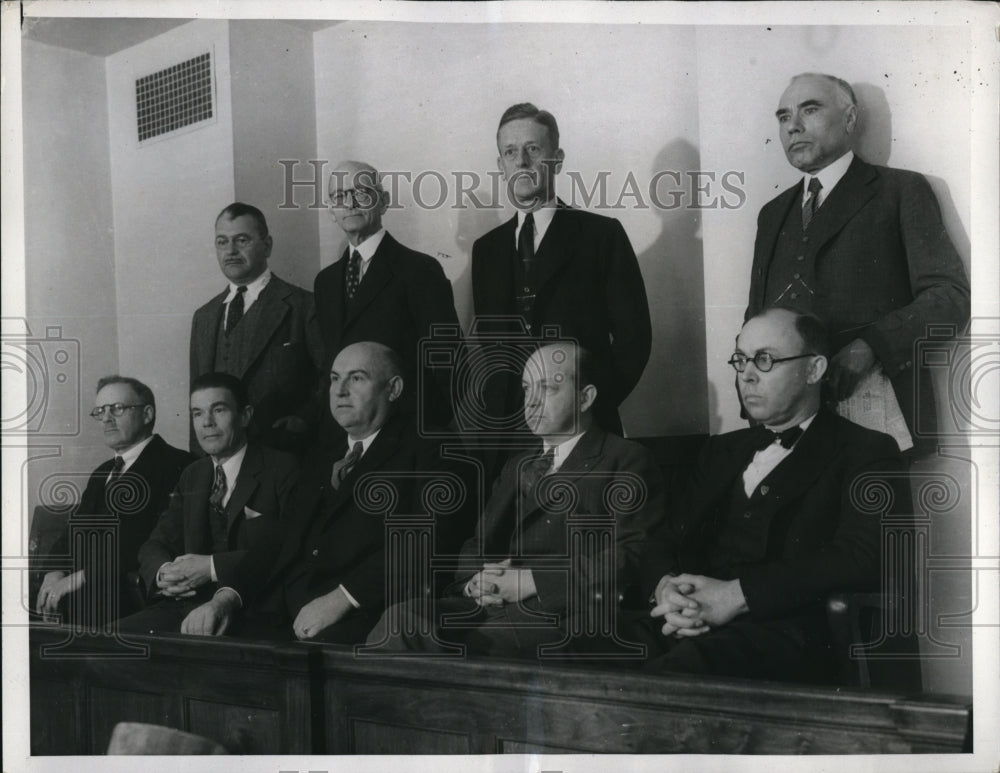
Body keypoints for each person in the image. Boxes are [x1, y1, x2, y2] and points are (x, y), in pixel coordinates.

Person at [636, 308, 908, 683]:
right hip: (685, 624)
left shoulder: (867, 450)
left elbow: (863, 557)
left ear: (814, 370)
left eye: (765, 360)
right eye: (741, 360)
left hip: (784, 636)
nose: (746, 374)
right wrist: (667, 588)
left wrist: (736, 595)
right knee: (574, 649)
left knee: (669, 679)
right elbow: (665, 535)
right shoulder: (720, 451)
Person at [367, 341, 665, 657]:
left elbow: (634, 554)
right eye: (525, 389)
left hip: (567, 609)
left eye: (548, 388)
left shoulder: (625, 459)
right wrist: (475, 582)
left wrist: (531, 581)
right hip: (495, 603)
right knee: (401, 620)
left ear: (585, 398)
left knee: (479, 646)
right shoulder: (517, 464)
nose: (532, 401)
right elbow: (476, 543)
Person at [179, 342, 473, 643]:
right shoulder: (323, 453)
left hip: (366, 614)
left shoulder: (431, 447)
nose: (340, 390)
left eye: (356, 378)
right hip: (284, 611)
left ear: (394, 388)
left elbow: (427, 542)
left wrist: (344, 598)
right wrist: (226, 598)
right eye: (334, 378)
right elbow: (281, 538)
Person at [747, 73, 970, 448]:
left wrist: (873, 345)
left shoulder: (901, 190)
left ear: (850, 119)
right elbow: (756, 316)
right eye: (783, 117)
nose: (793, 127)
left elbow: (950, 297)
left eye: (810, 110)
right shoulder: (772, 213)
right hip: (786, 423)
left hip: (877, 416)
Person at [471, 103, 652, 441]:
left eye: (533, 149)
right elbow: (492, 349)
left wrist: (590, 408)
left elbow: (635, 339)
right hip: (508, 440)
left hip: (584, 431)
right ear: (501, 165)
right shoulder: (486, 251)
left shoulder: (601, 235)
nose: (521, 161)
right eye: (510, 152)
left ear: (558, 158)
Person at [118, 373, 298, 632]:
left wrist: (211, 568)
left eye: (219, 410)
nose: (207, 423)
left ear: (245, 416)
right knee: (104, 646)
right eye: (197, 414)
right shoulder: (193, 473)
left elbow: (288, 550)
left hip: (251, 610)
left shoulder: (282, 468)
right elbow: (156, 543)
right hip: (185, 606)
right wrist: (164, 572)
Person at [314, 161, 461, 432]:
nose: (350, 202)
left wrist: (423, 428)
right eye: (340, 196)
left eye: (362, 192)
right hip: (341, 434)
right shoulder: (325, 281)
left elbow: (447, 361)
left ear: (383, 202)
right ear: (331, 211)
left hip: (404, 432)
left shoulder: (420, 270)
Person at [36, 376, 193, 624]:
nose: (107, 418)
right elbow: (74, 531)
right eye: (100, 411)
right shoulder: (103, 471)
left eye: (118, 408)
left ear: (147, 414)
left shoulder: (178, 464)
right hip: (88, 595)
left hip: (128, 597)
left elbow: (147, 541)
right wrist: (53, 572)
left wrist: (78, 578)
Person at [190, 202, 324, 452]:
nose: (230, 250)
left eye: (242, 240)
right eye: (222, 242)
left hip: (285, 455)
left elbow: (330, 379)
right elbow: (196, 397)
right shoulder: (204, 317)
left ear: (267, 245)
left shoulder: (304, 306)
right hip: (221, 460)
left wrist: (304, 420)